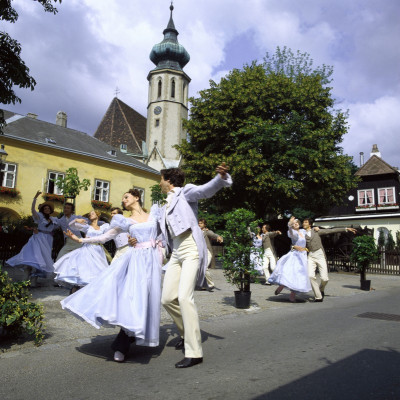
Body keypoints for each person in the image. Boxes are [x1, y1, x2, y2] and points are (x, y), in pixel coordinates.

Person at [61, 189, 163, 363]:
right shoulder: (124, 220)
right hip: (136, 261)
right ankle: (122, 345)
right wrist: (80, 240)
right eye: (122, 198)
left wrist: (160, 248)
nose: (123, 200)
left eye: (126, 197)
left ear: (136, 197)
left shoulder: (154, 214)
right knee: (132, 298)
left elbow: (163, 235)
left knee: (148, 300)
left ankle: (132, 335)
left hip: (153, 261)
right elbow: (104, 237)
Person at [159, 163, 232, 368]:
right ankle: (186, 333)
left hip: (190, 247)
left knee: (184, 297)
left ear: (169, 180)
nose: (160, 182)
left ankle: (194, 352)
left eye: (161, 178)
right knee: (166, 298)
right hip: (176, 251)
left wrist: (220, 178)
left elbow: (205, 190)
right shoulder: (164, 203)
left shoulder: (185, 192)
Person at [6, 190, 59, 287]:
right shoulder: (39, 217)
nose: (46, 209)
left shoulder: (53, 219)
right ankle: (25, 280)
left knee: (42, 259)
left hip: (48, 240)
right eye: (45, 208)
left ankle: (33, 280)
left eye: (48, 208)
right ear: (42, 209)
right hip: (38, 238)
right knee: (33, 257)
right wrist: (35, 197)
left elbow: (59, 225)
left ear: (50, 210)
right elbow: (33, 209)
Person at [53, 210, 110, 292]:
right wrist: (76, 220)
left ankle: (91, 293)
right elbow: (71, 226)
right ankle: (75, 291)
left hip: (98, 251)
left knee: (98, 271)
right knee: (85, 272)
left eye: (92, 214)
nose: (90, 215)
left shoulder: (104, 227)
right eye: (89, 214)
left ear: (98, 215)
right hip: (88, 250)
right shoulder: (87, 227)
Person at [303, 218, 356, 302]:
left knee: (325, 279)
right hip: (310, 256)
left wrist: (345, 229)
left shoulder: (316, 231)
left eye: (306, 222)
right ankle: (318, 296)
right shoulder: (302, 233)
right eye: (303, 222)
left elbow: (331, 230)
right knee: (310, 276)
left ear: (310, 224)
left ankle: (321, 289)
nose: (304, 224)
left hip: (320, 254)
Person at [268, 216, 311, 302]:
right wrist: (289, 225)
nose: (296, 224)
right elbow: (291, 233)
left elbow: (310, 233)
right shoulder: (293, 232)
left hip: (303, 255)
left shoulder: (303, 231)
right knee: (292, 273)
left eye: (297, 223)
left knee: (299, 275)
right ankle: (284, 287)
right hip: (295, 255)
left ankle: (291, 292)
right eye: (294, 224)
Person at [198, 218, 223, 290]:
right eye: (199, 223)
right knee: (199, 269)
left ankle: (211, 284)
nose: (199, 224)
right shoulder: (196, 232)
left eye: (201, 223)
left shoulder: (207, 232)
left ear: (205, 225)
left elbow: (213, 235)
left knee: (204, 267)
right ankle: (203, 284)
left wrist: (219, 237)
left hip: (207, 252)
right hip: (199, 252)